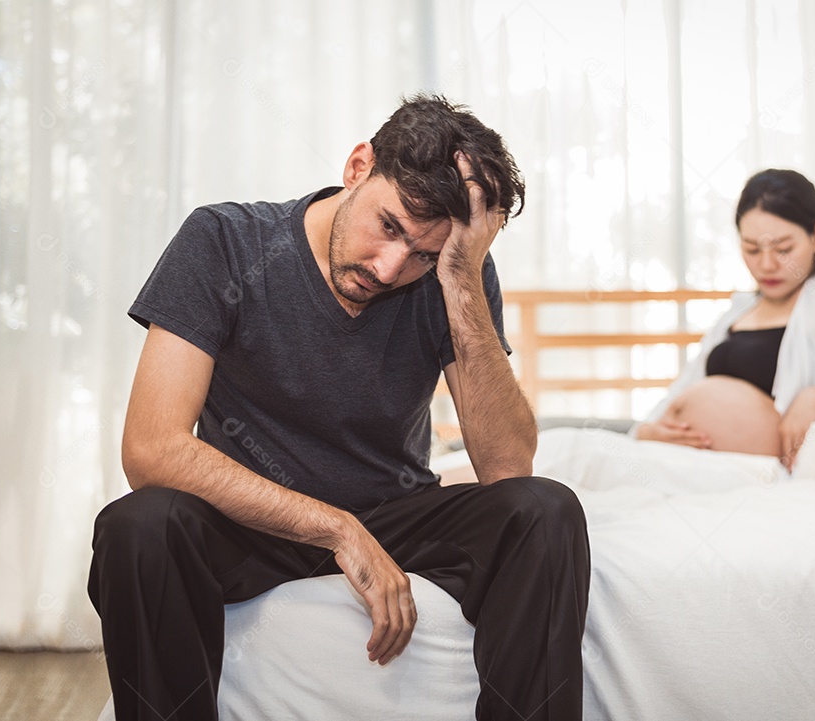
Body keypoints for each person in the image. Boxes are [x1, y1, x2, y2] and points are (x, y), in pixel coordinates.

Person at [87, 94, 590, 721]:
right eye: (389, 227)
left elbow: (508, 467)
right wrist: (338, 529)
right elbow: (152, 449)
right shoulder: (224, 241)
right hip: (250, 523)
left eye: (424, 255)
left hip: (393, 509)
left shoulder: (454, 276)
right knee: (139, 525)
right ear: (358, 166)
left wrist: (460, 278)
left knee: (545, 511)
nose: (390, 268)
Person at [632, 168, 815, 468]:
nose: (766, 264)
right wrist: (647, 430)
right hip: (683, 464)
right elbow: (684, 387)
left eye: (783, 249)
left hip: (755, 477)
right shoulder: (740, 308)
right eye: (751, 249)